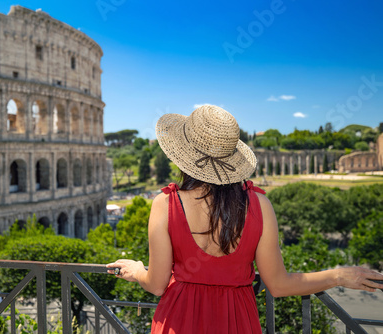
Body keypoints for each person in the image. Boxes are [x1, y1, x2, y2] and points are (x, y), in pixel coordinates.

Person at [106, 105, 383, 333]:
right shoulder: (260, 205)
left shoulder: (164, 204)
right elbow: (279, 284)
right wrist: (339, 275)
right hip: (237, 321)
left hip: (178, 321)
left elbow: (156, 284)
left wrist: (137, 269)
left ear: (182, 155)